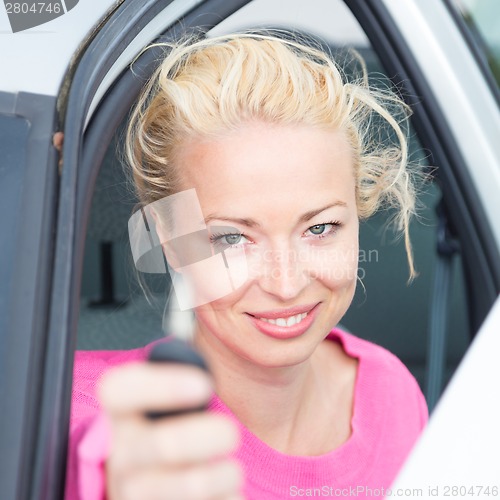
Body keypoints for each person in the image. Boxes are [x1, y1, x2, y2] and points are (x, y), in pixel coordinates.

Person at [66, 32, 428, 500]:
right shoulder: (69, 410)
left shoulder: (390, 390)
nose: (286, 283)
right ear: (171, 240)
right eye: (232, 237)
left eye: (319, 228)